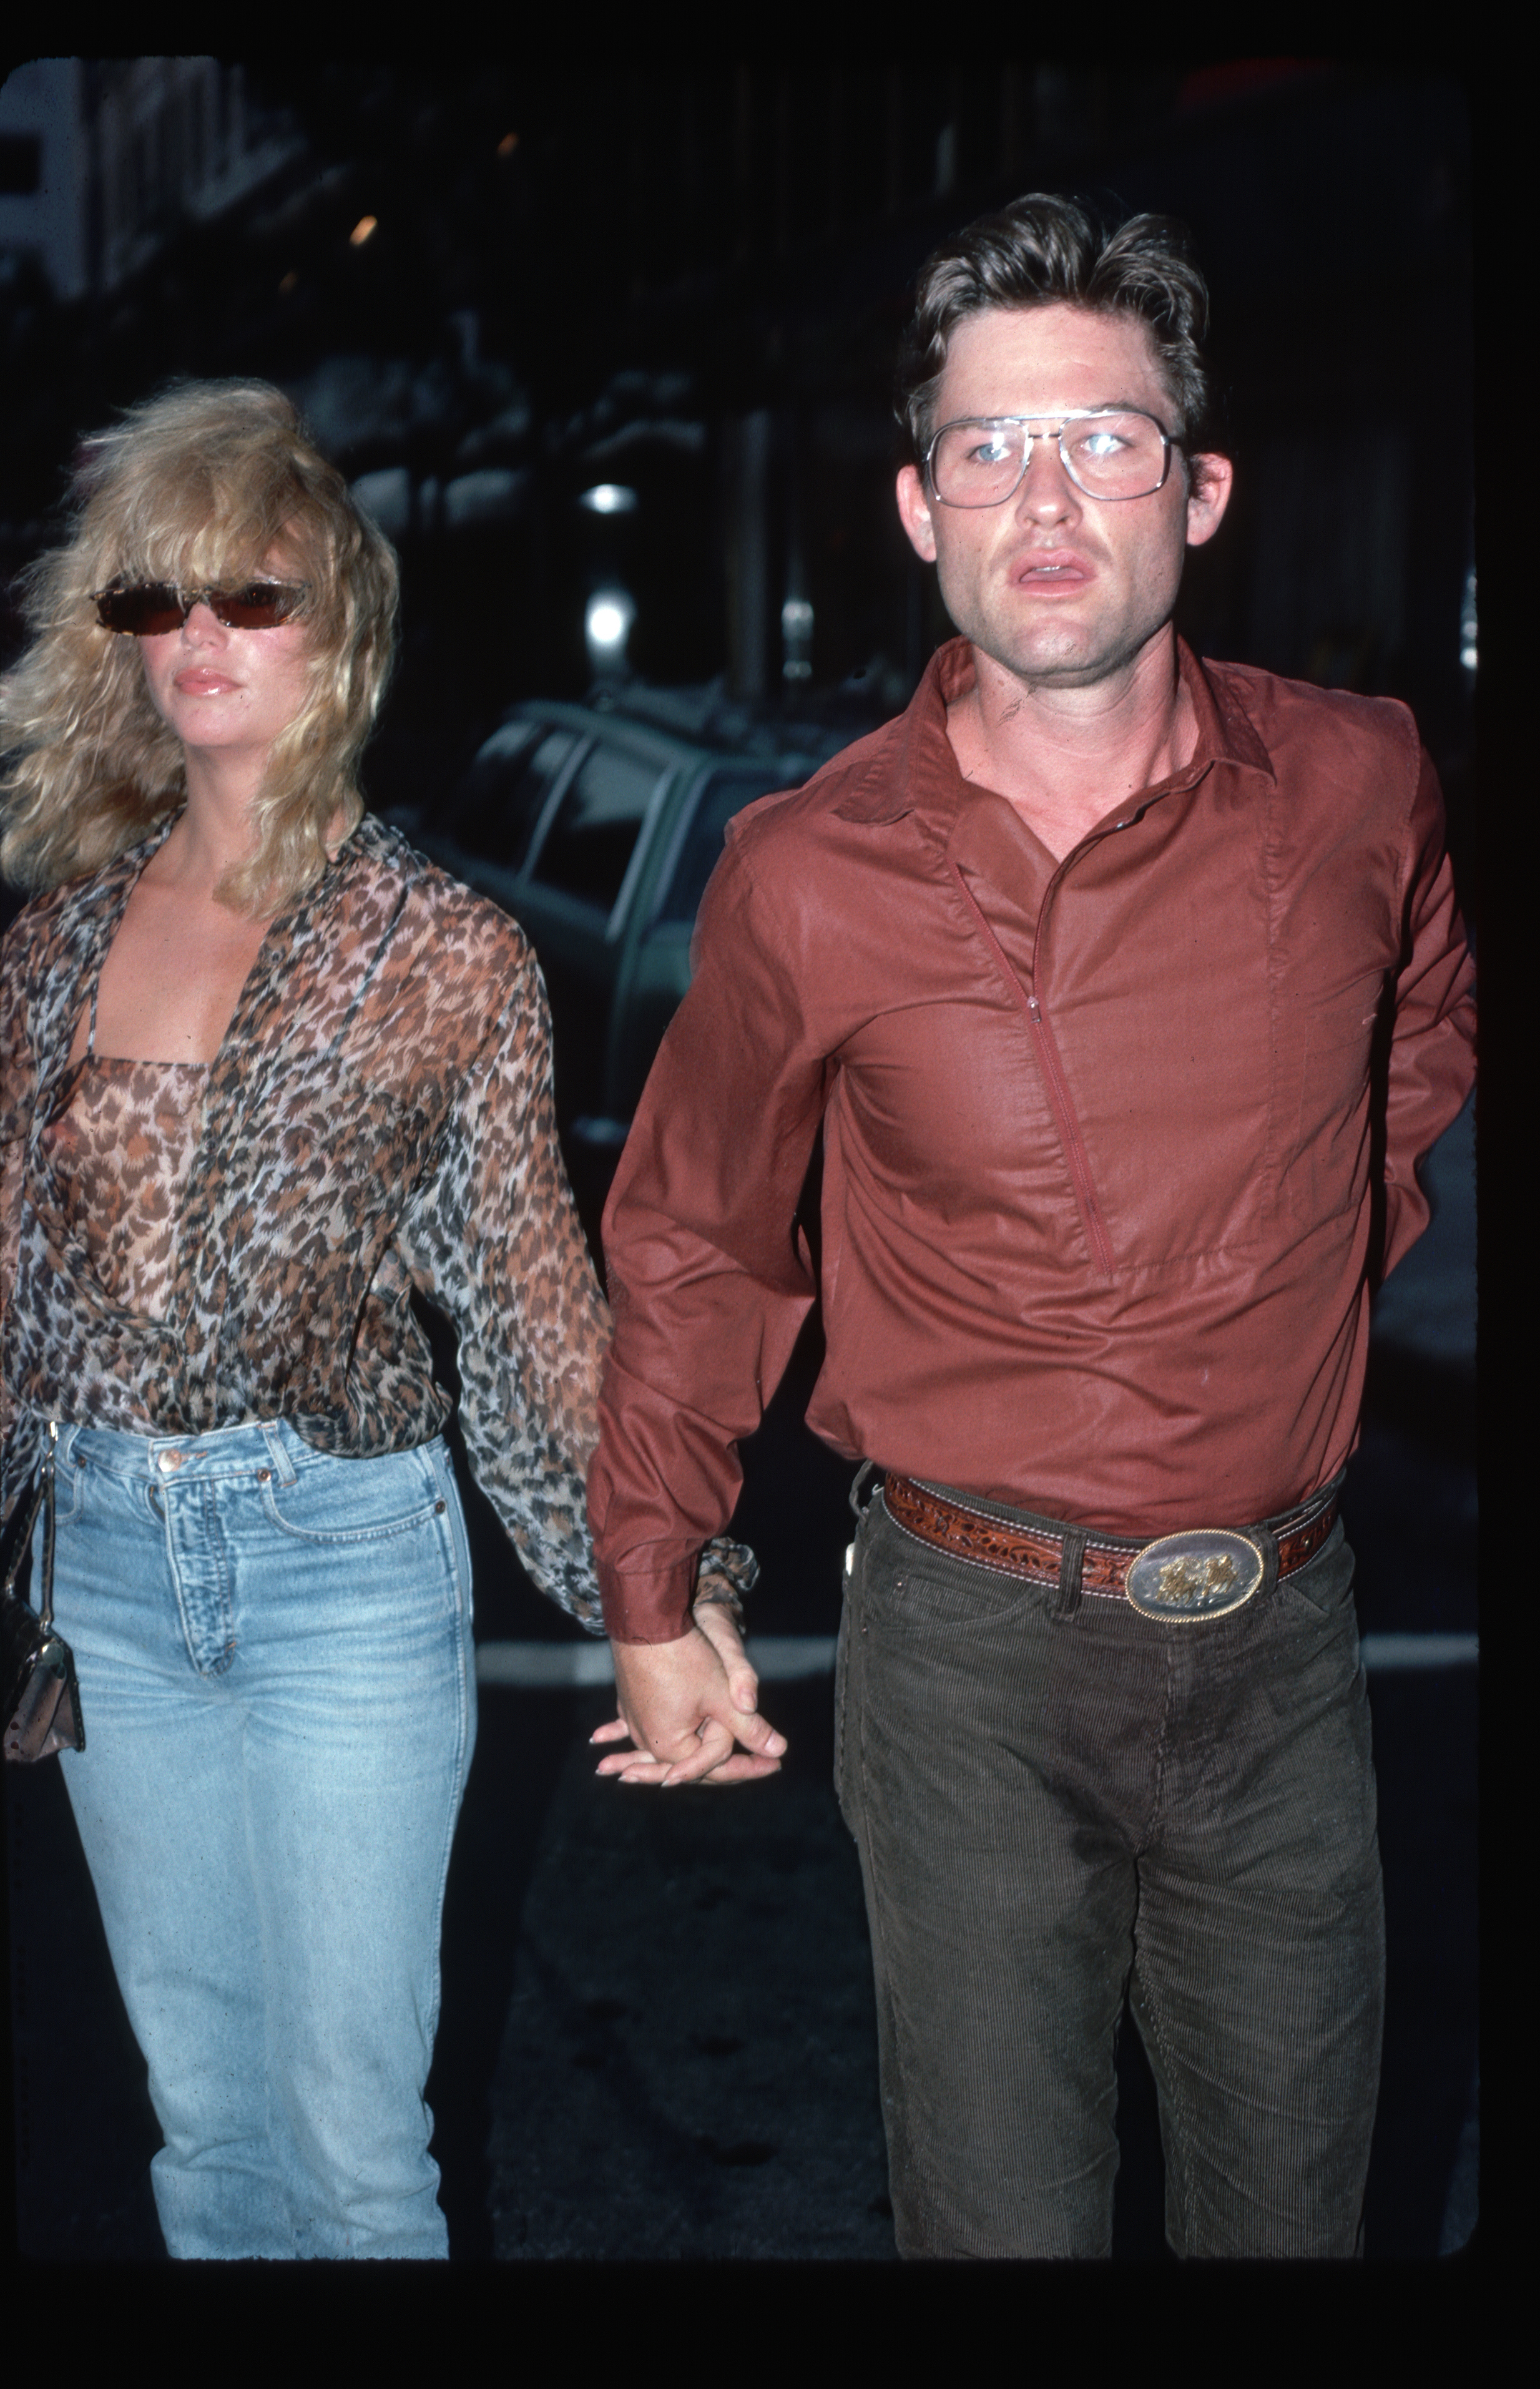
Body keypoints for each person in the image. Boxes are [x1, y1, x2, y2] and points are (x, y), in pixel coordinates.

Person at [586, 195, 1476, 2257]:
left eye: (1105, 436)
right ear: (917, 506)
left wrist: (1320, 1252)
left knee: (1295, 2232)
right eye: (989, 447)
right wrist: (651, 1579)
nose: (1046, 496)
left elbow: (1420, 1021)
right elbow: (704, 1236)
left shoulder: (1360, 777)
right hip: (967, 1653)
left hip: (1282, 1642)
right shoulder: (805, 870)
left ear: (1202, 488)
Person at [0, 380, 758, 2260]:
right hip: (100, 1566)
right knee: (204, 2140)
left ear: (338, 628)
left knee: (355, 2158)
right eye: (155, 601)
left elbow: (525, 1315)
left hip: (338, 1554)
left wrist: (667, 1602)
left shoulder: (441, 953)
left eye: (250, 596)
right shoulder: (46, 949)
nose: (199, 640)